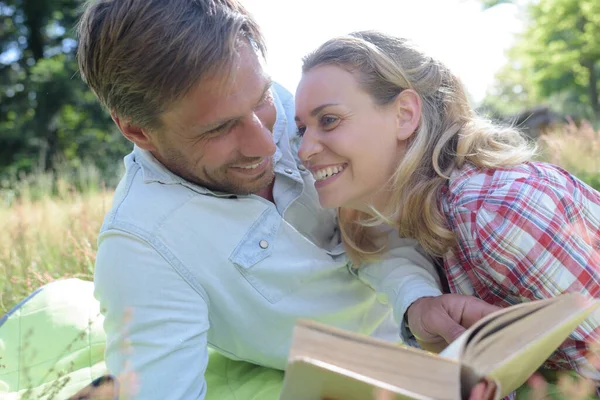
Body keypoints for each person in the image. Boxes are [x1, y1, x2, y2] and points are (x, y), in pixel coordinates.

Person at [76, 1, 498, 399]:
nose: (265, 142)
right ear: (137, 131)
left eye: (262, 101)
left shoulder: (293, 104)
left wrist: (415, 300)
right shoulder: (141, 248)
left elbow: (374, 217)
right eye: (219, 130)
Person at [295, 30, 600, 382]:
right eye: (301, 130)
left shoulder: (492, 210)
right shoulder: (407, 223)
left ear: (404, 114)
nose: (304, 150)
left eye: (329, 120)